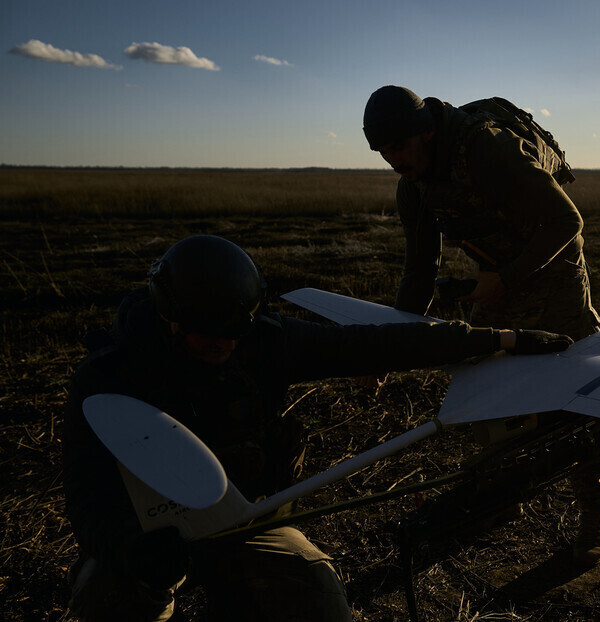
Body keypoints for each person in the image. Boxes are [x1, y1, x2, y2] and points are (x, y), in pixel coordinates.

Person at [62, 234, 571, 622]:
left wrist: (500, 340)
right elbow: (86, 498)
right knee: (104, 595)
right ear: (171, 316)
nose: (222, 347)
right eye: (206, 337)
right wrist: (131, 550)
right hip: (151, 534)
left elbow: (374, 344)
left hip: (248, 521)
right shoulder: (108, 377)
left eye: (233, 334)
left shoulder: (265, 343)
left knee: (320, 598)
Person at [361, 85, 600, 565]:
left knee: (581, 397)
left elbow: (567, 221)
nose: (393, 161)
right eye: (382, 152)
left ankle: (591, 518)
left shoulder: (487, 149)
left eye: (398, 147)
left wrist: (508, 278)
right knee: (485, 393)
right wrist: (388, 352)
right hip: (492, 283)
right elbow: (419, 273)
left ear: (427, 131)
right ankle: (501, 498)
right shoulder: (412, 185)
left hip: (553, 272)